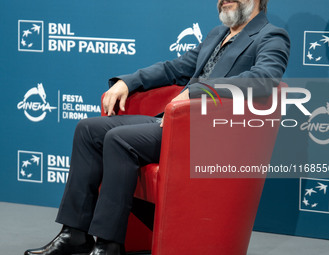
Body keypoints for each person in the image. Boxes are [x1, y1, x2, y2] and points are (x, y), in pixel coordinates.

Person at [24, 0, 290, 254]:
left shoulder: (271, 36)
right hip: (173, 121)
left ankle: (108, 244)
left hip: (206, 134)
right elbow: (175, 68)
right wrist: (128, 82)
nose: (224, 0)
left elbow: (264, 80)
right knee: (88, 130)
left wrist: (200, 91)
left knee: (119, 140)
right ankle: (75, 235)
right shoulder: (216, 34)